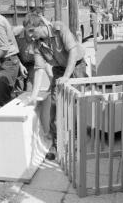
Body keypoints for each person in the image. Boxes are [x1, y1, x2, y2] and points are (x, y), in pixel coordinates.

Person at [22, 13, 87, 161]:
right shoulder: (37, 44)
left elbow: (73, 51)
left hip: (76, 65)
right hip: (59, 69)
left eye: (32, 31)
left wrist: (67, 76)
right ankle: (56, 144)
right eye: (28, 32)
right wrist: (33, 95)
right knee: (55, 105)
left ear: (42, 24)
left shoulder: (59, 28)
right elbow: (39, 69)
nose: (31, 36)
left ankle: (76, 140)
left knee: (76, 104)